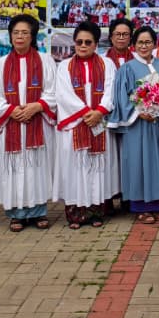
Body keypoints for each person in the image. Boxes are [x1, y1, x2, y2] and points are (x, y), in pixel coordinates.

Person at [0, 14, 55, 232]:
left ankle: (38, 212)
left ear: (32, 36)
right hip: (11, 125)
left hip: (38, 124)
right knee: (13, 169)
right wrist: (10, 110)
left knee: (37, 168)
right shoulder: (0, 65)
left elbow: (54, 91)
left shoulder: (45, 61)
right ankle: (16, 214)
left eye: (25, 32)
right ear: (10, 36)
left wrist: (38, 106)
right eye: (16, 32)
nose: (20, 37)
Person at [53, 22, 119, 229]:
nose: (82, 46)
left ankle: (96, 212)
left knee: (98, 168)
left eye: (88, 42)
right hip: (75, 126)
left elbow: (111, 89)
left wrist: (100, 111)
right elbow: (63, 94)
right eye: (79, 42)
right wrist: (85, 113)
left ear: (96, 44)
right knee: (75, 169)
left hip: (100, 123)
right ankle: (76, 215)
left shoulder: (107, 64)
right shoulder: (64, 66)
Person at [111, 26, 159, 224]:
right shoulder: (127, 68)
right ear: (134, 45)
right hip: (138, 123)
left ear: (155, 44)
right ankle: (142, 207)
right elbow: (121, 98)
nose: (144, 46)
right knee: (140, 161)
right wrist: (139, 112)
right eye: (140, 42)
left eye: (148, 42)